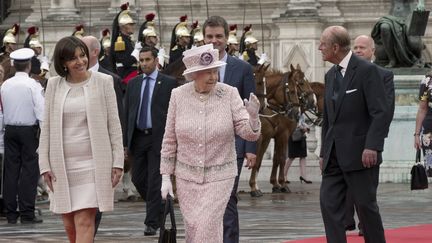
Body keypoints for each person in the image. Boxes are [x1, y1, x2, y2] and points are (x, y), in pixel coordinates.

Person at [160, 43, 261, 242]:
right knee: (194, 228)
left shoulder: (229, 94)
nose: (214, 77)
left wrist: (254, 118)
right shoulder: (177, 96)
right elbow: (170, 139)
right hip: (186, 178)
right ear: (194, 74)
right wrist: (165, 177)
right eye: (208, 73)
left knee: (207, 225)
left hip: (220, 176)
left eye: (215, 71)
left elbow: (248, 133)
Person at [38, 36, 124, 243]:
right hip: (62, 166)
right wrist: (44, 165)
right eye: (73, 58)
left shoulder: (104, 82)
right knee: (70, 226)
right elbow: (46, 128)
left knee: (85, 221)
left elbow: (114, 124)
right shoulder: (53, 85)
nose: (80, 61)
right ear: (63, 63)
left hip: (94, 164)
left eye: (82, 55)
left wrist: (118, 161)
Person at [318, 26, 389, 243]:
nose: (320, 48)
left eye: (323, 44)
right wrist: (323, 152)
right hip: (333, 157)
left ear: (335, 47)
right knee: (328, 204)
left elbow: (380, 112)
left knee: (366, 209)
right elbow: (328, 119)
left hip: (361, 155)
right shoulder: (330, 75)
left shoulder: (367, 71)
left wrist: (373, 146)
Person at [202, 15, 257, 243]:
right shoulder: (195, 67)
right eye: (209, 36)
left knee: (227, 198)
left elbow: (251, 110)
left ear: (227, 38)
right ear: (203, 38)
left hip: (233, 145)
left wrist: (251, 147)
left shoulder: (242, 68)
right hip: (202, 145)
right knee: (206, 200)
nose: (214, 41)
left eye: (218, 36)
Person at [123, 46, 177, 236]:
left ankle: (151, 223)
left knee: (155, 180)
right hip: (138, 138)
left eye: (147, 60)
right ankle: (160, 207)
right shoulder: (133, 84)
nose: (144, 63)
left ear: (156, 61)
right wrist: (125, 143)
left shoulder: (169, 83)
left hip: (159, 139)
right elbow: (127, 114)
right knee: (138, 178)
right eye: (142, 60)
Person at [345, 35, 395, 236]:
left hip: (368, 142)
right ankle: (346, 221)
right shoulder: (343, 73)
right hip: (346, 142)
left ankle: (366, 225)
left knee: (367, 191)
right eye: (355, 47)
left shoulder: (384, 75)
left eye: (362, 47)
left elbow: (386, 111)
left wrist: (374, 143)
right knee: (346, 188)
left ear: (372, 51)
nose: (358, 50)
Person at [81, 35, 128, 235]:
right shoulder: (67, 78)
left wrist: (120, 149)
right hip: (78, 148)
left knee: (95, 201)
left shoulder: (111, 79)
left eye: (82, 49)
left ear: (94, 52)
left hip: (101, 149)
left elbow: (117, 117)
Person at [1, 48, 44, 224]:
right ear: (28, 65)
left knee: (10, 171)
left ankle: (10, 212)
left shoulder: (5, 85)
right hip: (28, 131)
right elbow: (41, 112)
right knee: (29, 171)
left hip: (9, 130)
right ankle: (27, 212)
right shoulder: (33, 85)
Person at [371, 0, 425, 68]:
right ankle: (392, 59)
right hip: (393, 16)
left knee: (413, 41)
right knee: (384, 27)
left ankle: (419, 58)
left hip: (410, 13)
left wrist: (421, 2)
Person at [110, 2, 138, 83]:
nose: (133, 27)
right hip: (126, 74)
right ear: (123, 27)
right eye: (130, 24)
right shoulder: (120, 41)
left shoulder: (128, 40)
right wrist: (136, 51)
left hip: (132, 72)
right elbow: (126, 62)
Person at [284, 114, 312, 184]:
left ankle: (303, 176)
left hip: (301, 136)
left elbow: (302, 122)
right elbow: (292, 123)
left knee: (303, 156)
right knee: (291, 157)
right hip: (293, 136)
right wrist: (302, 128)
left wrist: (306, 127)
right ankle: (283, 175)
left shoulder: (301, 112)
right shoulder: (292, 110)